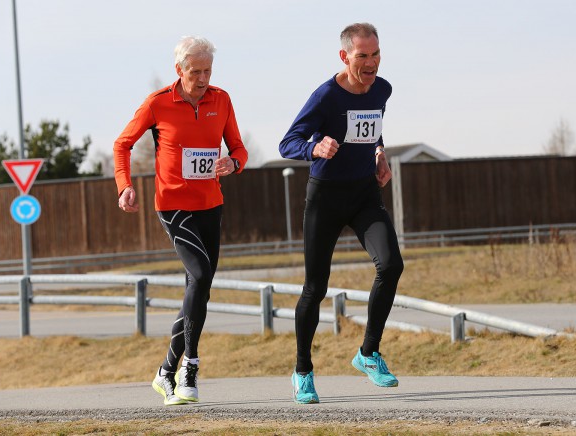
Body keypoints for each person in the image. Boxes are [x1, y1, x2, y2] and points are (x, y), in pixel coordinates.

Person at [114, 36, 248, 406]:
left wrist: (233, 163)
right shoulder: (158, 103)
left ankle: (164, 371)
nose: (203, 78)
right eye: (195, 71)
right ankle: (190, 366)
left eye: (208, 71)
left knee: (198, 289)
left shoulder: (221, 100)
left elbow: (238, 148)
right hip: (173, 206)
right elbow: (122, 144)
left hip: (210, 204)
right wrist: (124, 186)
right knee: (201, 276)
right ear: (179, 70)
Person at [278, 23, 404, 404]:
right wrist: (315, 146)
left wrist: (380, 153)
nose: (371, 63)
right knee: (315, 287)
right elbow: (289, 142)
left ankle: (368, 354)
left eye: (376, 54)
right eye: (363, 55)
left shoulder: (382, 89)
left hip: (365, 193)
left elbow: (374, 130)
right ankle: (302, 370)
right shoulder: (326, 96)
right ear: (344, 56)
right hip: (326, 197)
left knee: (392, 265)